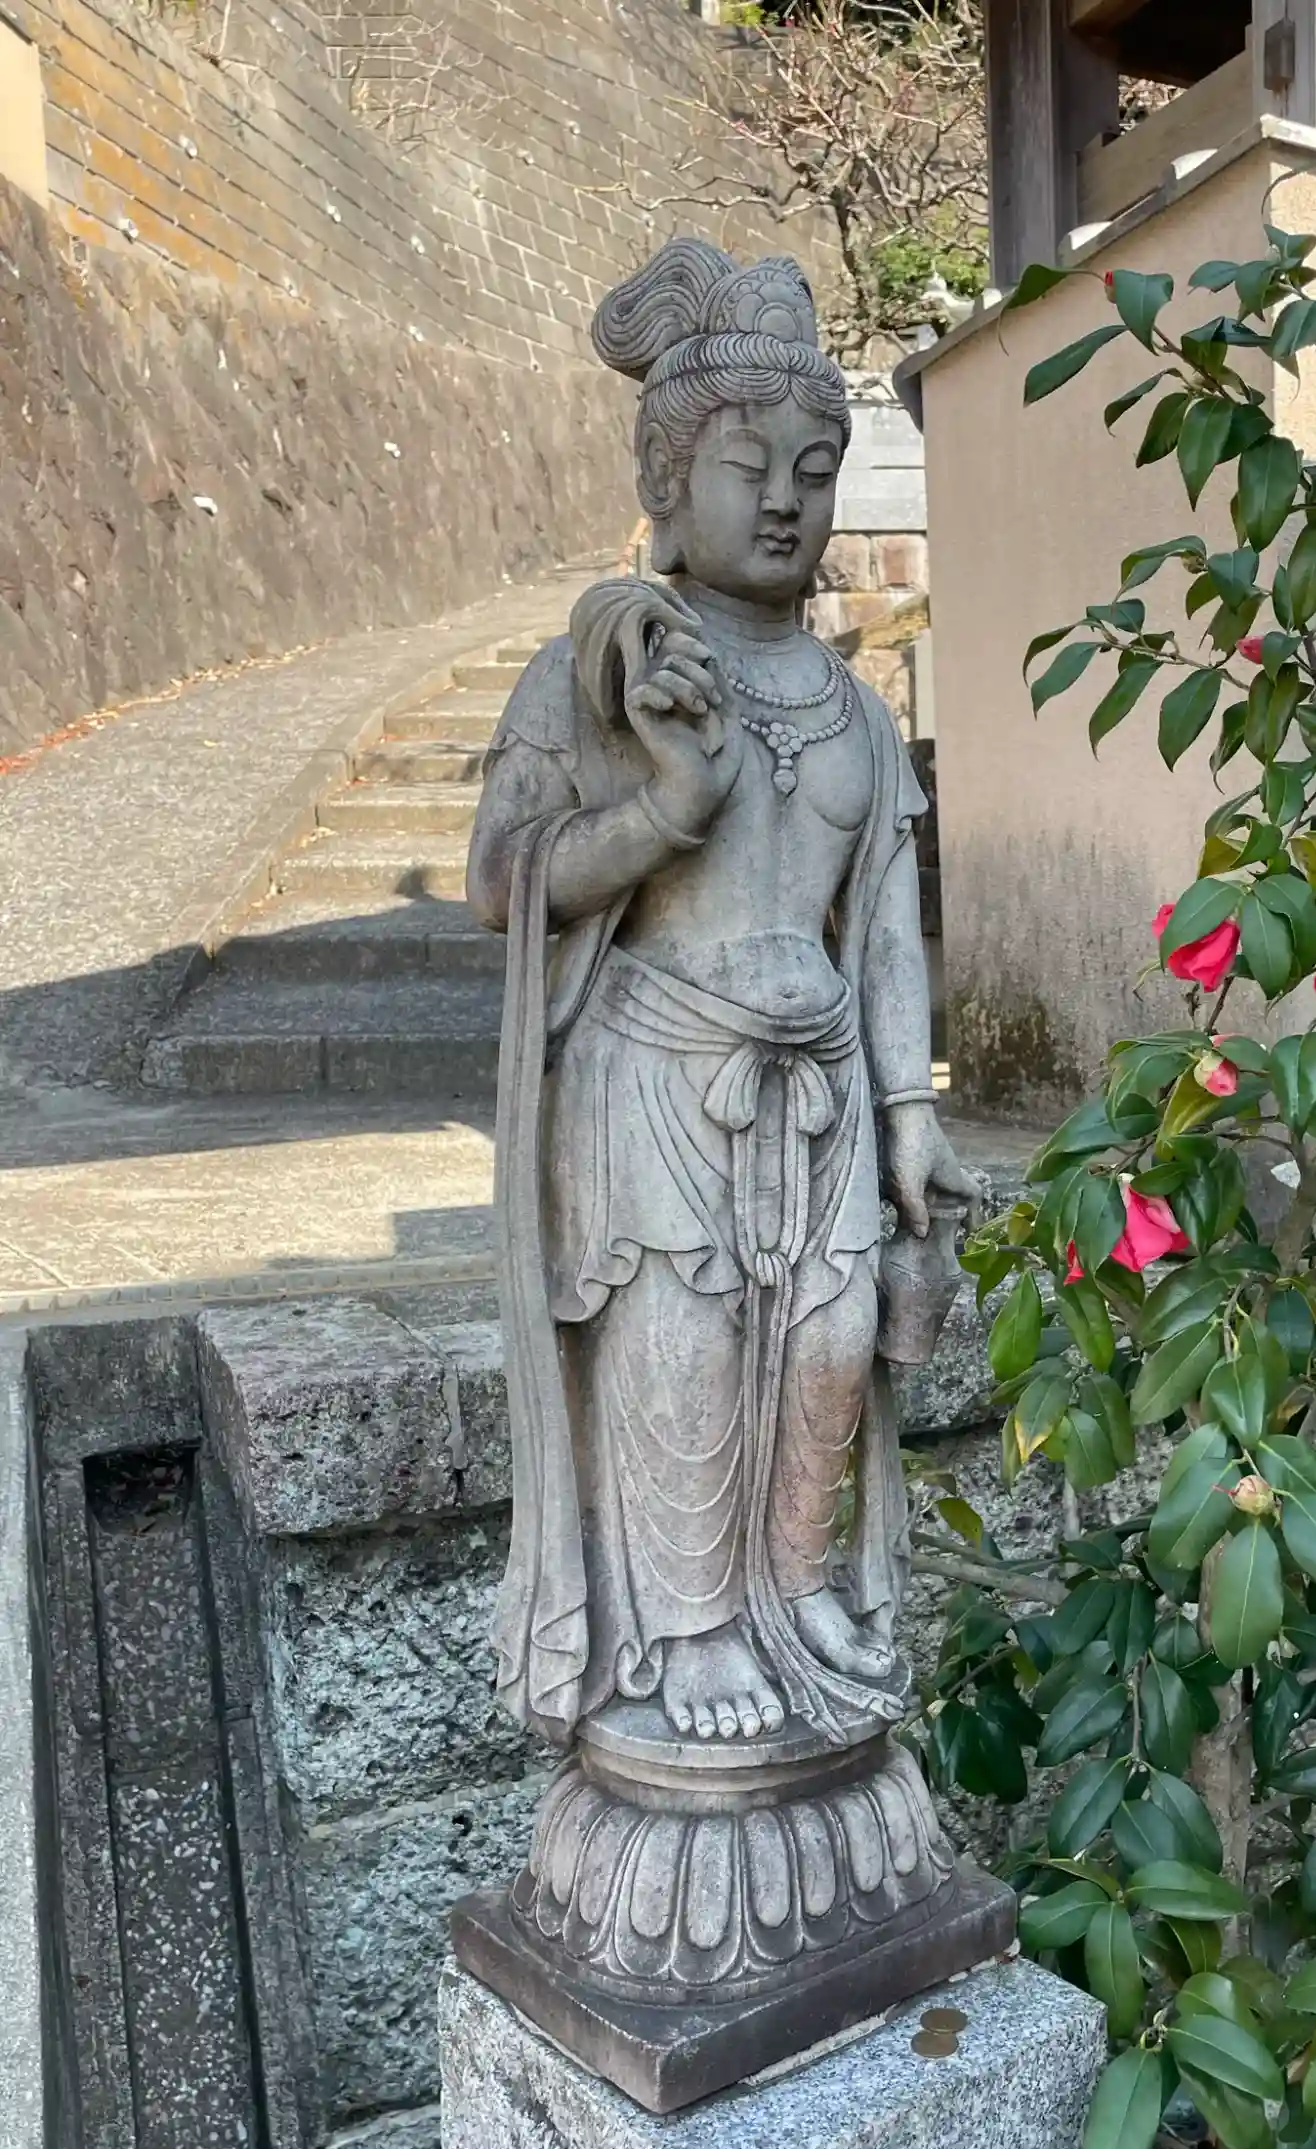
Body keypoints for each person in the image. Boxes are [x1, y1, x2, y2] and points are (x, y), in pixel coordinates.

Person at [468, 240, 971, 1757]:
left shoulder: (858, 713)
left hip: (821, 1089)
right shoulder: (602, 678)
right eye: (748, 469)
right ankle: (687, 1631)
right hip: (656, 1084)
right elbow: (504, 879)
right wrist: (666, 804)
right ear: (667, 478)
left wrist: (908, 1114)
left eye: (815, 472)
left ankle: (793, 1591)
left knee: (827, 1348)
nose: (785, 503)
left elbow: (883, 932)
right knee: (680, 1355)